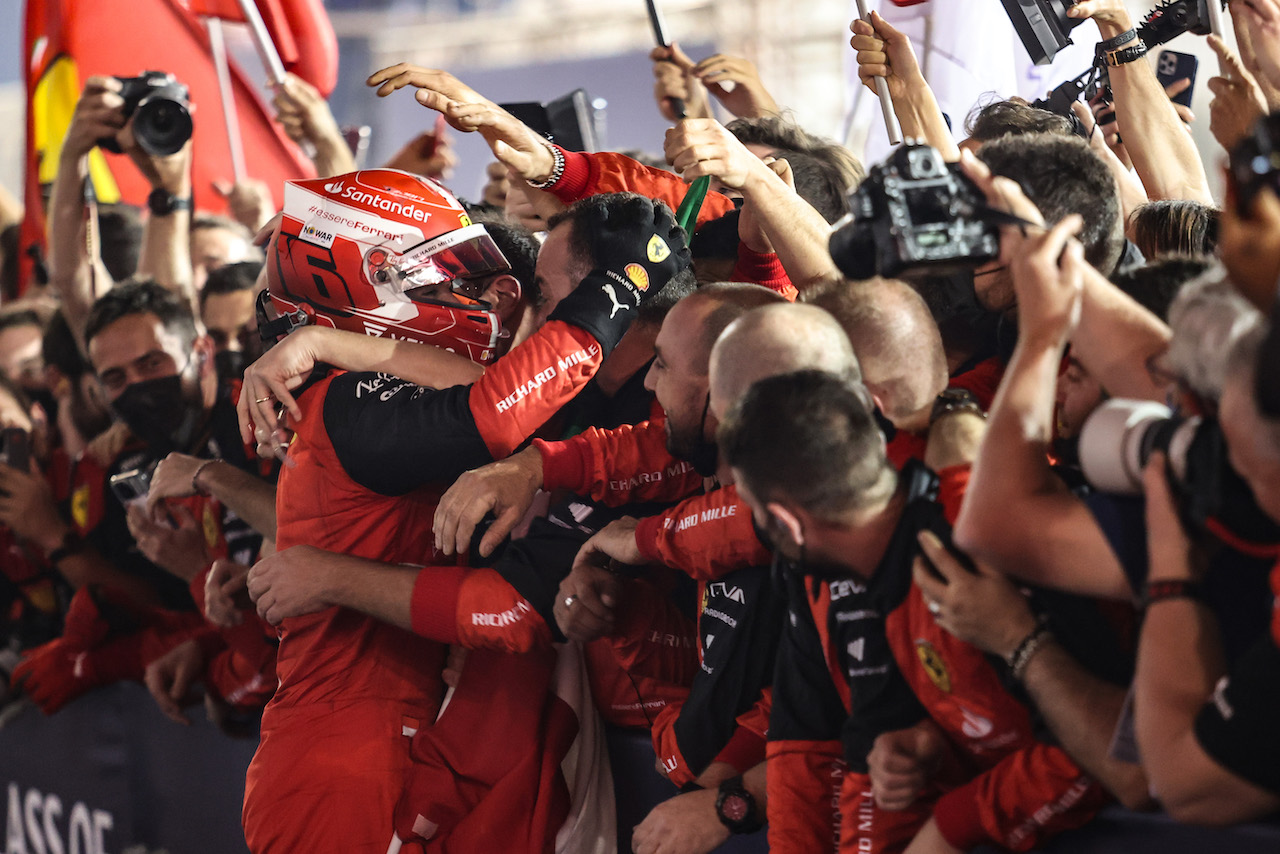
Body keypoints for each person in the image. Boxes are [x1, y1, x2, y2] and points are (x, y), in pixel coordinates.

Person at [239, 169, 691, 854]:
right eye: (445, 277)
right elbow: (495, 412)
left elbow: (502, 396)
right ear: (363, 282)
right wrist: (616, 287)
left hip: (407, 737)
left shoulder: (350, 377)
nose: (483, 298)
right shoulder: (345, 403)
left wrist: (324, 338)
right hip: (349, 758)